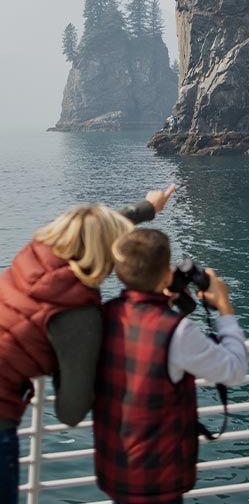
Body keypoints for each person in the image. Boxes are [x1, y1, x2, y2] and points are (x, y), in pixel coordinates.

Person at [0, 184, 175, 504]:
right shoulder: (78, 313)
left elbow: (90, 228)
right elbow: (71, 411)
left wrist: (148, 208)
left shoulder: (34, 256)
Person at [93, 227, 248, 504]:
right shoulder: (176, 331)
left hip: (116, 469)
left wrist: (165, 300)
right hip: (158, 479)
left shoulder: (105, 315)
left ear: (118, 273)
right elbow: (234, 369)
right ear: (166, 274)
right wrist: (224, 305)